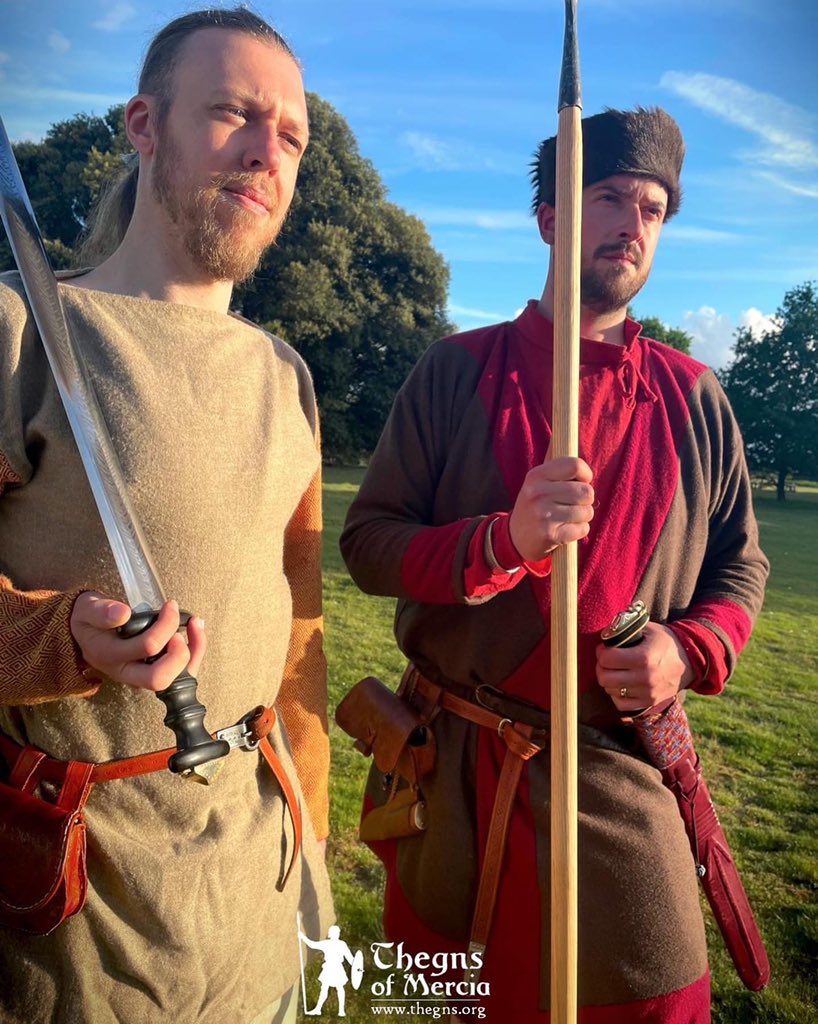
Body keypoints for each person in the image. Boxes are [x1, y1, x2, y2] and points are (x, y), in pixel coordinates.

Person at [340, 107, 768, 1021]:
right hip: (453, 768)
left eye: (653, 207)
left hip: (615, 769)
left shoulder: (696, 398)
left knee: (655, 997)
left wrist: (684, 653)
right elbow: (368, 542)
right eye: (608, 196)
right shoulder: (455, 371)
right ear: (550, 218)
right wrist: (502, 542)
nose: (633, 222)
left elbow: (740, 570)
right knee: (448, 1002)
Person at [0, 9, 332, 1023]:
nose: (264, 152)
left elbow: (298, 641)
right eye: (234, 113)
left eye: (289, 136)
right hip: (79, 934)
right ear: (144, 124)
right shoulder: (20, 327)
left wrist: (310, 844)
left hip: (253, 919)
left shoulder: (287, 376)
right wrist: (57, 638)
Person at [298, 924, 356, 1016]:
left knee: (339, 988)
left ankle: (341, 1010)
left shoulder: (341, 944)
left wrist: (358, 966)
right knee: (325, 989)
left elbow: (351, 959)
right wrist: (303, 937)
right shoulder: (327, 943)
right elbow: (313, 945)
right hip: (329, 967)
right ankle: (318, 1009)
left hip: (337, 968)